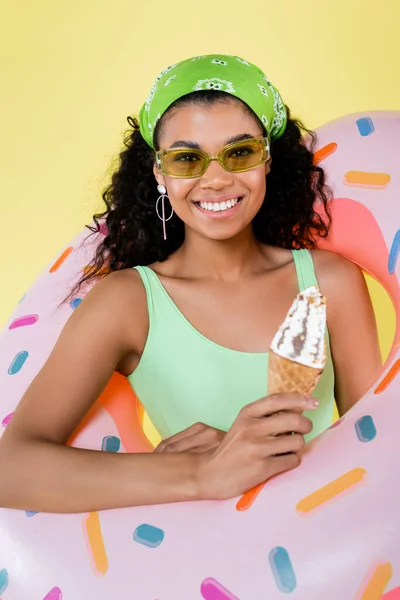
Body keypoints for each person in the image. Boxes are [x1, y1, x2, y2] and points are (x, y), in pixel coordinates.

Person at [0, 55, 381, 513]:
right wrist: (203, 473)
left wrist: (257, 461)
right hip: (198, 570)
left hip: (329, 562)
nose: (216, 178)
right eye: (186, 159)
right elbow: (12, 467)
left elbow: (374, 452)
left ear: (268, 161)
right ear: (160, 174)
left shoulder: (330, 282)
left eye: (240, 152)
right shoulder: (129, 302)